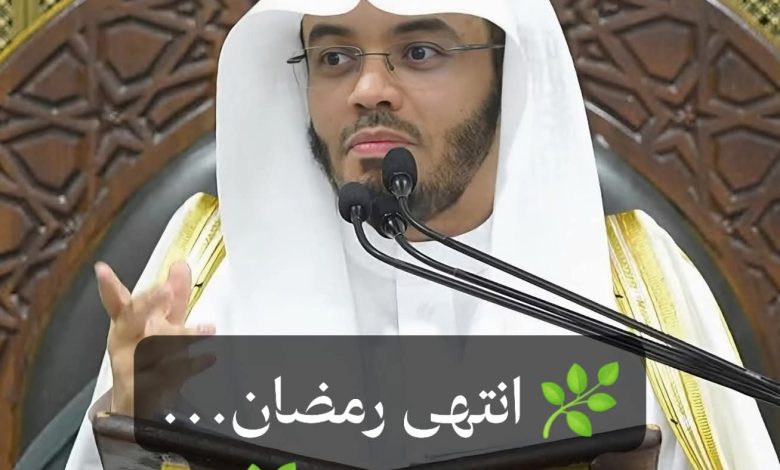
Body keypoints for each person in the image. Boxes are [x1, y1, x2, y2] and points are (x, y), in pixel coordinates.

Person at [66, 0, 779, 468]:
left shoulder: (633, 286)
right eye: (335, 58)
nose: (367, 90)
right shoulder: (205, 277)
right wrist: (131, 433)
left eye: (419, 52)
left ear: (506, 70)